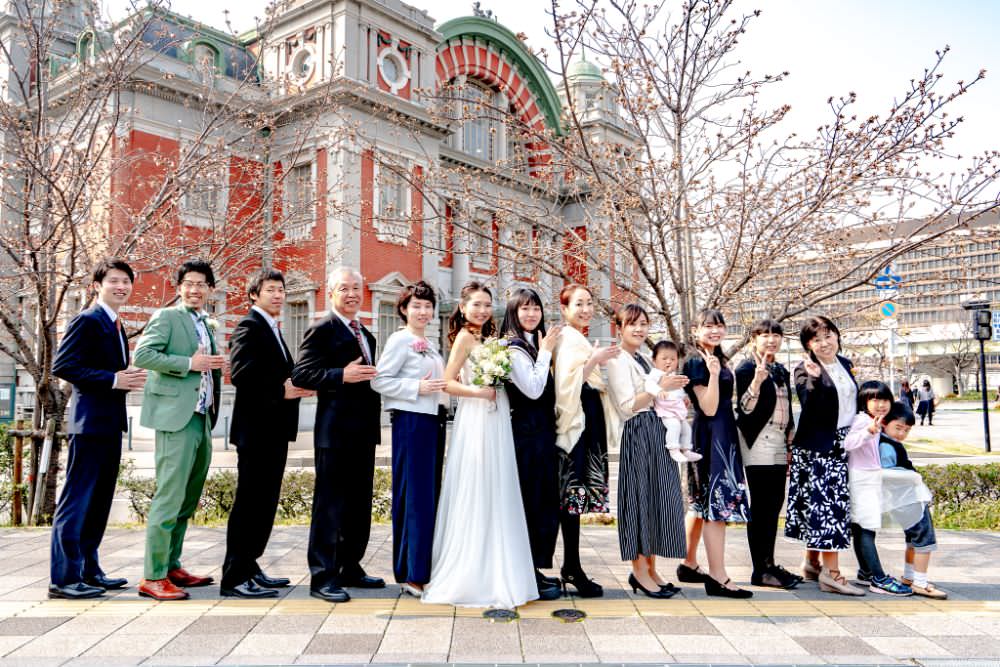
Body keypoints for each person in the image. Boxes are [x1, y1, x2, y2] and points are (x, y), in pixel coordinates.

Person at [422, 282, 538, 609]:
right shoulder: (464, 337)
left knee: (499, 486)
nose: (483, 310)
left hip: (498, 415)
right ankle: (474, 571)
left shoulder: (493, 338)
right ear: (463, 307)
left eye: (487, 305)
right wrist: (479, 391)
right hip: (476, 417)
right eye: (476, 304)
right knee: (478, 483)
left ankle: (502, 568)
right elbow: (447, 382)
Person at [49, 259, 146, 599]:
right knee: (76, 501)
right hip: (88, 425)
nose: (121, 287)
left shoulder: (115, 323)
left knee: (98, 502)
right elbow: (64, 365)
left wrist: (123, 378)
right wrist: (113, 379)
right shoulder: (88, 320)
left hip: (109, 424)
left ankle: (89, 570)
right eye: (114, 281)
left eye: (126, 281)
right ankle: (64, 578)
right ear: (97, 286)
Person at [134, 259, 225, 601]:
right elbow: (144, 355)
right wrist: (189, 364)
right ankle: (153, 576)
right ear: (179, 288)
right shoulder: (167, 316)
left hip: (201, 417)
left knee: (188, 497)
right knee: (169, 497)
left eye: (201, 284)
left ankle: (172, 565)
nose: (194, 289)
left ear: (210, 289)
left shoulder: (204, 322)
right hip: (176, 419)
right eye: (188, 283)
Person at [291, 267, 384, 603]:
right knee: (329, 507)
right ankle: (322, 577)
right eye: (344, 288)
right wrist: (340, 375)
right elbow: (302, 374)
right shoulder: (322, 329)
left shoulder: (366, 334)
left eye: (357, 288)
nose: (352, 294)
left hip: (364, 432)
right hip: (335, 433)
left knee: (358, 505)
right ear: (331, 292)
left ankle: (350, 567)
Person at [220, 269, 314, 598]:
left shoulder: (272, 328)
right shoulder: (249, 327)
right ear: (254, 295)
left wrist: (298, 385)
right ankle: (234, 577)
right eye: (271, 289)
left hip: (274, 431)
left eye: (281, 290)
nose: (278, 295)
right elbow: (242, 374)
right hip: (256, 432)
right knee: (250, 504)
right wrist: (281, 390)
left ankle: (250, 566)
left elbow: (276, 372)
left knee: (264, 504)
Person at [371, 280, 448, 598]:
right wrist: (417, 387)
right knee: (415, 497)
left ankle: (419, 568)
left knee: (427, 495)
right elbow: (379, 381)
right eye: (416, 306)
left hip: (432, 422)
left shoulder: (428, 342)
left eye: (428, 306)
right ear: (403, 309)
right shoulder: (400, 340)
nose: (423, 311)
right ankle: (412, 573)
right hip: (412, 422)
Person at [605, 305, 688, 599]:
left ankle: (650, 569)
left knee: (656, 500)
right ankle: (639, 571)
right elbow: (628, 405)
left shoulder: (640, 357)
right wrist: (658, 388)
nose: (639, 329)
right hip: (638, 432)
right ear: (619, 328)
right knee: (640, 500)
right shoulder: (617, 359)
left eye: (643, 323)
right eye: (632, 324)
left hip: (655, 431)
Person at [784, 315, 865, 596]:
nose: (824, 343)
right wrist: (815, 380)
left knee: (823, 505)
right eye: (816, 339)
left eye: (828, 335)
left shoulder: (845, 363)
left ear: (837, 336)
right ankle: (832, 574)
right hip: (820, 447)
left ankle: (812, 563)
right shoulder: (804, 369)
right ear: (808, 345)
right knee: (829, 507)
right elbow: (810, 406)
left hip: (845, 442)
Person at [677, 309, 751, 598]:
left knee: (701, 504)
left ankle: (688, 563)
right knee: (715, 507)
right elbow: (707, 407)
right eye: (708, 326)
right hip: (712, 435)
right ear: (695, 330)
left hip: (722, 432)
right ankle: (718, 577)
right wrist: (715, 374)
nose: (715, 330)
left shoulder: (716, 357)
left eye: (719, 325)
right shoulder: (697, 361)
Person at [552, 284, 619, 597]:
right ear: (564, 308)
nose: (586, 309)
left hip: (586, 425)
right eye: (578, 304)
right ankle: (571, 567)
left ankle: (572, 565)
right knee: (571, 497)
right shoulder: (567, 337)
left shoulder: (576, 337)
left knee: (575, 500)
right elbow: (566, 384)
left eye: (589, 303)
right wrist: (594, 359)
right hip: (575, 427)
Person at [500, 288, 563, 601]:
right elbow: (534, 389)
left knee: (543, 503)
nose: (531, 313)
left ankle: (534, 570)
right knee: (531, 504)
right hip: (526, 437)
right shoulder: (514, 348)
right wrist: (547, 351)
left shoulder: (533, 343)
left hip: (541, 435)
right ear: (513, 313)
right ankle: (526, 575)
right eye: (524, 308)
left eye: (535, 308)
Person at [734, 319, 801, 590]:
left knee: (774, 504)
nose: (771, 340)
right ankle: (760, 570)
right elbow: (744, 409)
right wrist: (756, 382)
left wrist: (790, 442)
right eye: (765, 335)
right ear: (754, 339)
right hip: (758, 441)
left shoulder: (780, 369)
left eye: (776, 335)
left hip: (780, 441)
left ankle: (769, 564)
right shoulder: (746, 368)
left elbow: (787, 409)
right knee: (762, 505)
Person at [843, 381, 913, 596]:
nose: (881, 404)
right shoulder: (862, 420)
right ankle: (878, 578)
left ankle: (866, 572)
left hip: (867, 478)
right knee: (867, 529)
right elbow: (848, 443)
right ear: (864, 402)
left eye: (885, 400)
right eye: (874, 400)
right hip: (862, 480)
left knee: (861, 529)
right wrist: (868, 431)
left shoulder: (873, 420)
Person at [879, 401, 947, 599]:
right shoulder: (887, 447)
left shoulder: (885, 442)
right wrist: (913, 477)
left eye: (906, 430)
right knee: (924, 539)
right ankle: (920, 583)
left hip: (902, 500)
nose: (902, 433)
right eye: (898, 428)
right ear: (884, 423)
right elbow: (886, 474)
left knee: (913, 540)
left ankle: (910, 577)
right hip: (907, 500)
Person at [645, 341, 700, 463]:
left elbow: (679, 390)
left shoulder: (674, 375)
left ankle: (686, 450)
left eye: (673, 359)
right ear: (654, 361)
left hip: (676, 410)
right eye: (664, 358)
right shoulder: (656, 374)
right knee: (674, 426)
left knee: (686, 429)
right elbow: (648, 385)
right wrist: (659, 390)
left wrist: (685, 397)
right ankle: (673, 449)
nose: (668, 362)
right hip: (665, 411)